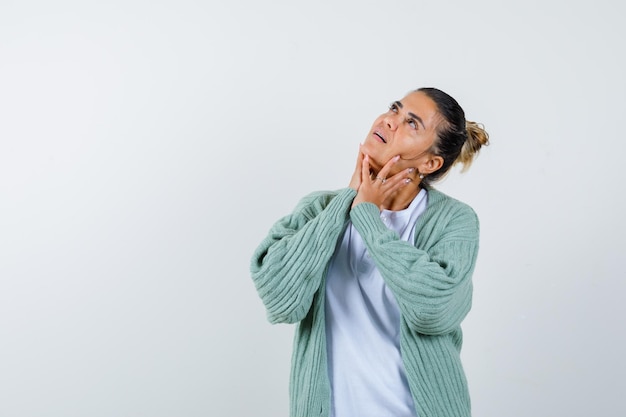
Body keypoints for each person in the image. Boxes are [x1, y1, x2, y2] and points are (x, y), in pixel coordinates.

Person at [250, 87, 489, 417]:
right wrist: (347, 201)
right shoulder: (319, 208)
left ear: (431, 162)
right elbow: (279, 298)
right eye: (394, 108)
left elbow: (434, 310)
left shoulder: (454, 221)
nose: (390, 121)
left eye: (411, 123)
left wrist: (368, 218)